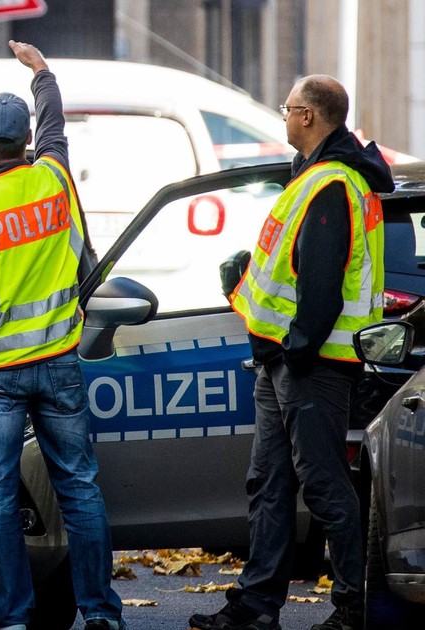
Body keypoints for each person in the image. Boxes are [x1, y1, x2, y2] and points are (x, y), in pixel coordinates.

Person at [190, 75, 393, 630]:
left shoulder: (330, 183)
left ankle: (353, 609)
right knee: (269, 484)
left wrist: (296, 351)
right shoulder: (316, 175)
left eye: (288, 107)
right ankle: (257, 607)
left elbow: (323, 288)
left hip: (310, 364)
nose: (283, 115)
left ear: (308, 116)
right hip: (285, 361)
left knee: (324, 485)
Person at [0, 40, 124, 630]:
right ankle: (100, 613)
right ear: (26, 141)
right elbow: (56, 125)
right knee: (80, 489)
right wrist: (41, 72)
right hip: (60, 362)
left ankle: (11, 618)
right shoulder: (54, 180)